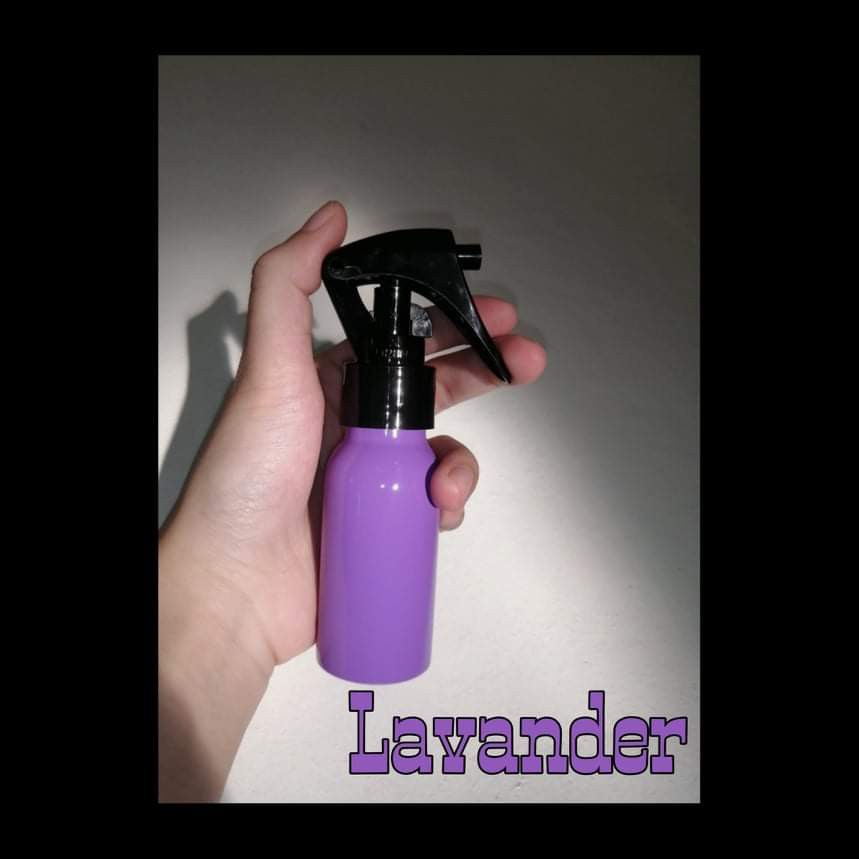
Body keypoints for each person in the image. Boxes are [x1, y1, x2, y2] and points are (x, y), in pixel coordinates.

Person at [158, 201, 548, 802]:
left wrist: (224, 604)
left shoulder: (379, 461)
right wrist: (224, 592)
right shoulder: (348, 459)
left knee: (434, 484)